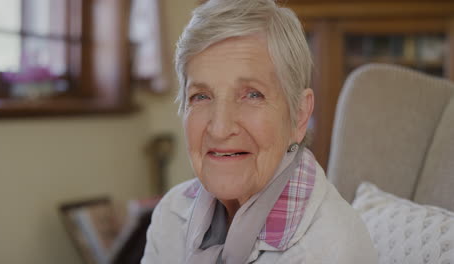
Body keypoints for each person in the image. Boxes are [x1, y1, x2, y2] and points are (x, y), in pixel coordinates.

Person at [141, 0, 378, 263]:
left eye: (252, 95)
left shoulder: (330, 250)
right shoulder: (171, 213)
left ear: (299, 116)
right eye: (201, 96)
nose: (220, 129)